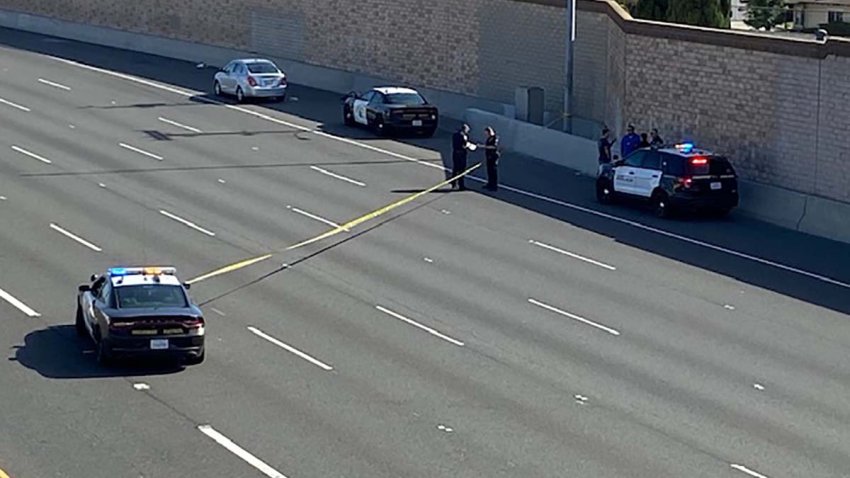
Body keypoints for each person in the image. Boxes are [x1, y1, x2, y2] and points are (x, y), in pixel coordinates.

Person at [451, 124, 475, 190]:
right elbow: (464, 145)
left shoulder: (455, 134)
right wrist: (469, 145)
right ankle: (461, 185)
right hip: (461, 154)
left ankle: (453, 183)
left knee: (455, 168)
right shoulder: (463, 136)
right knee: (461, 170)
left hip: (455, 153)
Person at [481, 126, 500, 191]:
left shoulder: (495, 138)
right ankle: (489, 183)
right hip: (489, 156)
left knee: (493, 171)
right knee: (489, 170)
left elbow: (494, 147)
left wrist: (484, 146)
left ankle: (494, 185)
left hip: (493, 156)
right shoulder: (489, 138)